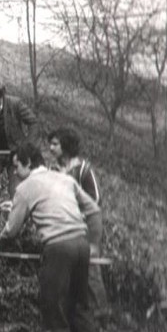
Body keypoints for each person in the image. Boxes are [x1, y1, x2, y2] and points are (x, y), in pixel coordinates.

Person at [0, 142, 105, 332]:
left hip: (58, 248)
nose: (15, 173)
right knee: (81, 306)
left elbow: (11, 230)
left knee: (51, 303)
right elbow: (94, 211)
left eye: (17, 167)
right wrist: (94, 244)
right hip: (81, 245)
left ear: (28, 163)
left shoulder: (25, 188)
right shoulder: (63, 179)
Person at [47, 127, 108, 318]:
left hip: (86, 228)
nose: (51, 148)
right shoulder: (53, 169)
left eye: (55, 144)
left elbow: (95, 200)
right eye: (51, 143)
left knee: (90, 269)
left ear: (66, 146)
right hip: (65, 228)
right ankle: (75, 311)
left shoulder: (83, 170)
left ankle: (101, 313)